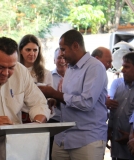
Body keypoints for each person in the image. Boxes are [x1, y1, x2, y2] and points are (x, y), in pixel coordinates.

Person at [39, 29, 108, 160]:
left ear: (75, 46)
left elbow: (86, 103)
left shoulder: (95, 67)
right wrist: (57, 101)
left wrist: (54, 93)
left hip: (86, 139)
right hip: (63, 137)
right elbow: (69, 98)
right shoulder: (70, 68)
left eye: (63, 49)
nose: (61, 54)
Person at [18, 34, 53, 123]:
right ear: (21, 51)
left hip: (38, 117)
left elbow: (50, 97)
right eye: (28, 50)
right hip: (17, 117)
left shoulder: (46, 73)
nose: (32, 53)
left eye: (35, 50)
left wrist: (51, 100)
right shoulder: (13, 71)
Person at [108, 52, 134, 160]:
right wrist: (109, 131)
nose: (122, 70)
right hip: (117, 147)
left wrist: (131, 136)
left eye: (127, 67)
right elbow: (113, 112)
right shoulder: (118, 86)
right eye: (123, 66)